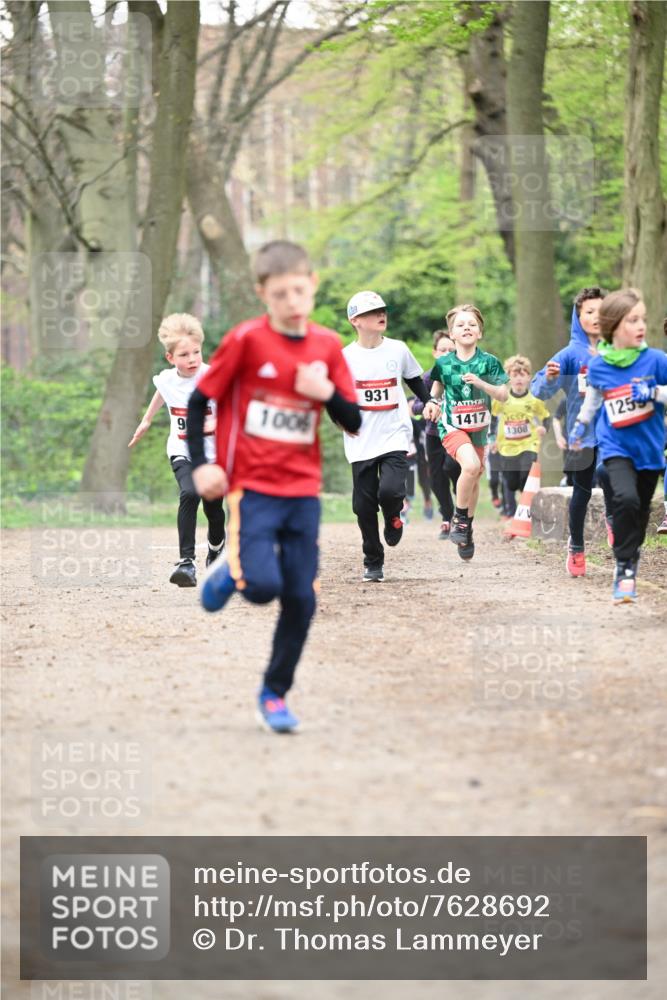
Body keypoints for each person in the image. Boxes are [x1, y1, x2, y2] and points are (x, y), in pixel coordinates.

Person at [186, 241, 361, 732]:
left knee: (302, 598)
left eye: (299, 291)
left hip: (303, 491)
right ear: (263, 293)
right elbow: (201, 400)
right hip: (252, 487)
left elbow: (354, 421)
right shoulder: (246, 340)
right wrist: (203, 466)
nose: (291, 301)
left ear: (313, 286)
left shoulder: (327, 347)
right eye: (280, 293)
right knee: (262, 588)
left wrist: (324, 392)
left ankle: (274, 694)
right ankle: (230, 572)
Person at [569, 288, 667, 603]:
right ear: (613, 326)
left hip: (650, 450)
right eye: (632, 320)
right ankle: (625, 567)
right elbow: (595, 399)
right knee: (623, 498)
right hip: (615, 447)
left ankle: (629, 554)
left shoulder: (656, 360)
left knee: (638, 511)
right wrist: (581, 425)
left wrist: (653, 393)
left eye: (643, 320)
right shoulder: (599, 366)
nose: (641, 326)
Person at [341, 291, 440, 582]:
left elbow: (413, 378)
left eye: (382, 310)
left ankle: (394, 516)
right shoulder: (345, 358)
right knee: (362, 506)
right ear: (356, 320)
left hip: (395, 434)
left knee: (390, 491)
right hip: (361, 439)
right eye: (373, 312)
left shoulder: (397, 349)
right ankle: (373, 560)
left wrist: (429, 402)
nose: (380, 315)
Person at [128, 313, 225, 587]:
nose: (192, 359)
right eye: (184, 355)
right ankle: (186, 562)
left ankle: (216, 547)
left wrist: (212, 421)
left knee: (214, 508)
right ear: (171, 358)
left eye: (196, 352)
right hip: (181, 449)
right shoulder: (168, 379)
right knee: (189, 492)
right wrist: (146, 420)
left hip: (212, 454)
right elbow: (162, 391)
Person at [531, 287, 614, 577]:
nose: (596, 317)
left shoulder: (618, 351)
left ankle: (613, 516)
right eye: (589, 312)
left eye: (601, 312)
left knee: (609, 472)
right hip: (581, 437)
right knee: (581, 492)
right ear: (579, 317)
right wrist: (551, 378)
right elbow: (538, 390)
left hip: (614, 432)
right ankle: (576, 545)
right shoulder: (569, 354)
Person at [429, 304, 509, 560]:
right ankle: (460, 519)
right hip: (452, 426)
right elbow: (436, 393)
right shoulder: (443, 364)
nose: (467, 328)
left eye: (472, 324)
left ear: (480, 333)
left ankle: (466, 529)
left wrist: (481, 383)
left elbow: (504, 395)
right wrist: (432, 405)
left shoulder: (489, 362)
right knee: (472, 466)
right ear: (452, 334)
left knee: (473, 476)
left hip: (479, 429)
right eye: (460, 325)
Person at [412, 330, 461, 538]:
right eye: (443, 350)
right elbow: (415, 405)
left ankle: (462, 512)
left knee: (452, 467)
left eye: (452, 349)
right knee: (436, 480)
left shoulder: (463, 375)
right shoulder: (427, 378)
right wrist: (424, 408)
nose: (447, 353)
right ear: (435, 353)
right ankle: (447, 516)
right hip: (433, 434)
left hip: (458, 432)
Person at [491, 355, 550, 519]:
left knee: (526, 476)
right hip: (507, 447)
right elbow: (494, 418)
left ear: (529, 377)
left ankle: (525, 513)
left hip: (529, 444)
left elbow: (545, 417)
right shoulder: (502, 398)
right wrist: (491, 439)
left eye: (522, 375)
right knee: (511, 482)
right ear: (508, 377)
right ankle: (510, 510)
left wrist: (543, 428)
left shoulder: (534, 399)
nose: (518, 379)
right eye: (514, 375)